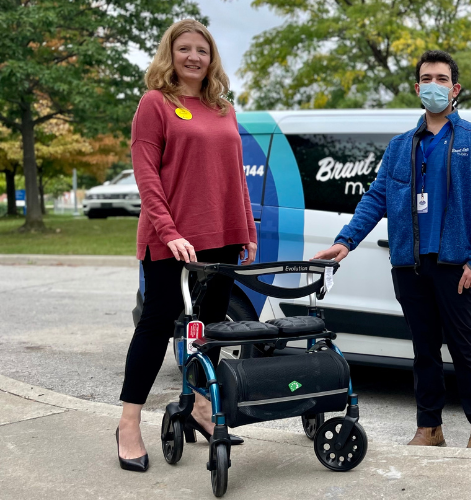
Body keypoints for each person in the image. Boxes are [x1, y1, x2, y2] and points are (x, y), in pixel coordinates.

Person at [313, 50, 471, 449]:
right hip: (410, 267)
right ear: (418, 88)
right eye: (426, 79)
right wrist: (346, 241)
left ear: (455, 89)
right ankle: (429, 428)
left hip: (456, 266)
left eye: (441, 78)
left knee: (466, 350)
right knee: (424, 352)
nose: (434, 85)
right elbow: (376, 197)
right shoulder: (401, 146)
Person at [115, 19, 258, 472]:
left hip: (222, 235)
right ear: (169, 54)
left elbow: (235, 174)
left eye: (203, 49)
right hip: (170, 240)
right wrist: (168, 229)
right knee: (156, 327)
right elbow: (147, 176)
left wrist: (246, 230)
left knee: (211, 327)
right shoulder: (155, 104)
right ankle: (129, 423)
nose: (194, 57)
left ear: (211, 57)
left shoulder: (223, 108)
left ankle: (199, 407)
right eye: (185, 49)